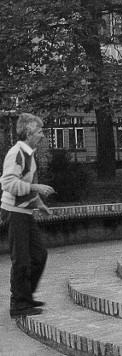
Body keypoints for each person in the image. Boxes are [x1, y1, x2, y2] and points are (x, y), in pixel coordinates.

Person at [1, 113, 55, 318]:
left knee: (39, 255)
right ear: (29, 133)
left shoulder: (29, 154)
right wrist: (36, 187)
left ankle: (26, 296)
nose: (42, 135)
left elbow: (26, 189)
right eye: (40, 131)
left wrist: (40, 204)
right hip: (14, 213)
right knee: (21, 259)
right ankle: (18, 304)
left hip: (24, 211)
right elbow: (7, 183)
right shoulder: (16, 153)